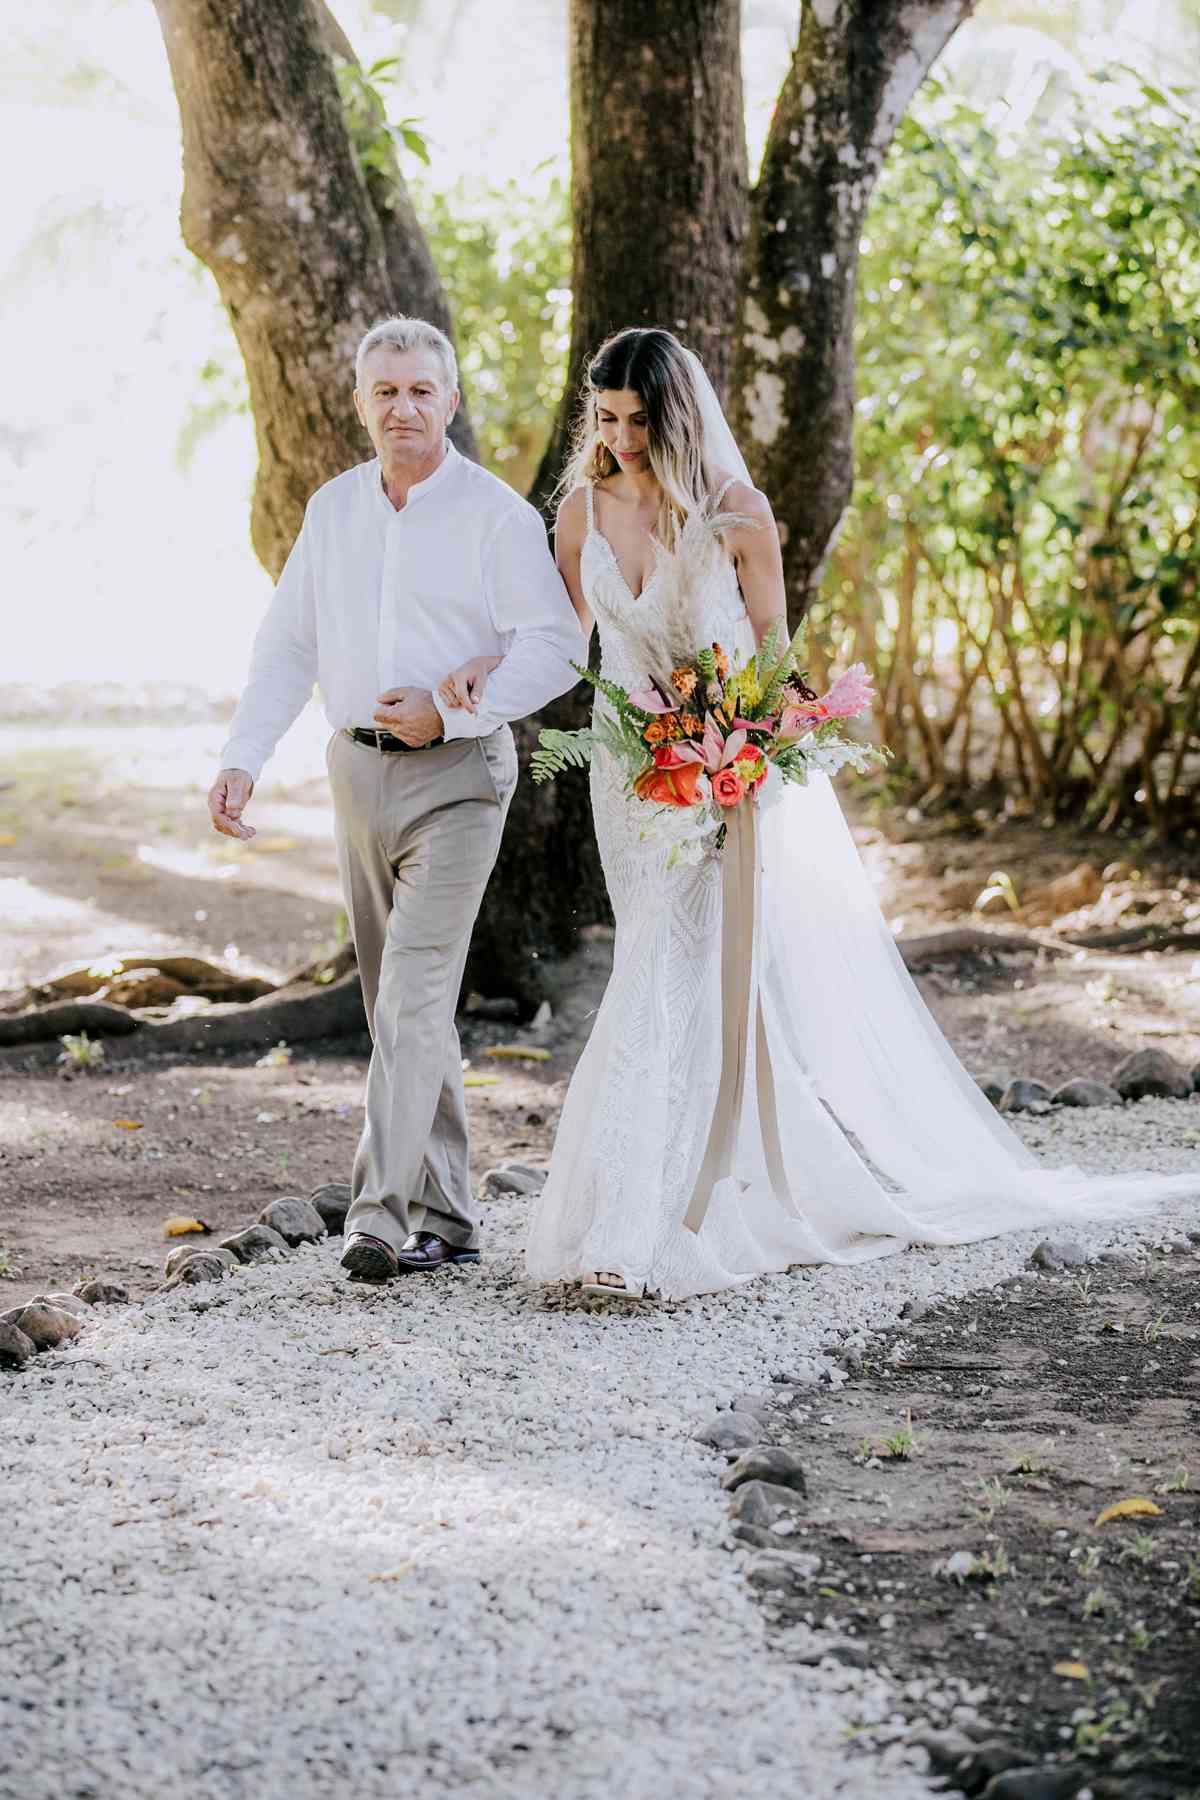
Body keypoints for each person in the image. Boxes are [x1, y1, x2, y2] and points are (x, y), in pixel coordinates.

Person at [437, 326, 1197, 1302]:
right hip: (625, 777)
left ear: (677, 417)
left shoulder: (738, 514)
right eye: (609, 418)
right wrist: (485, 669)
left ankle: (648, 1225)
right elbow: (558, 639)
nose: (621, 439)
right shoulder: (581, 511)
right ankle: (640, 1209)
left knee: (678, 974)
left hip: (721, 778)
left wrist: (745, 747)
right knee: (651, 964)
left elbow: (774, 659)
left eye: (640, 420)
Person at [209, 316, 584, 1283]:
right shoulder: (333, 510)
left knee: (413, 993)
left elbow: (556, 647)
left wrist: (450, 713)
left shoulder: (497, 516)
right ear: (361, 403)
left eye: (421, 390)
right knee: (398, 1008)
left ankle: (377, 1216)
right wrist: (244, 756)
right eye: (386, 392)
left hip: (460, 780)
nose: (404, 408)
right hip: (356, 773)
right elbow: (287, 645)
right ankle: (451, 1218)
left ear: (450, 401)